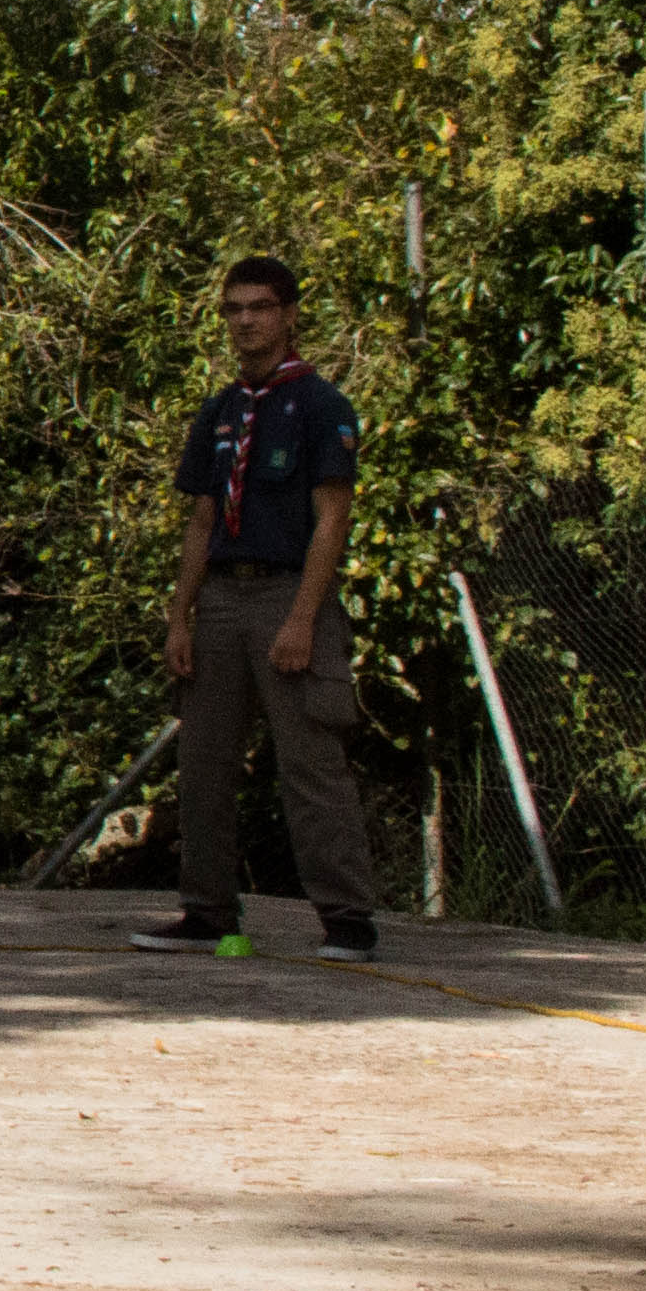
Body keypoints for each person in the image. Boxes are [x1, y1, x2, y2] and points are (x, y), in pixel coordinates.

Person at [133, 256, 376, 962]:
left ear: (290, 315)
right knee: (204, 760)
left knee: (310, 763)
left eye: (260, 307)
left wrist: (302, 618)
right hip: (222, 597)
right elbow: (202, 520)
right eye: (234, 309)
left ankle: (348, 918)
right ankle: (207, 910)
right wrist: (180, 616)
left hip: (286, 593)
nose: (245, 321)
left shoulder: (321, 405)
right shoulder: (222, 411)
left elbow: (333, 519)